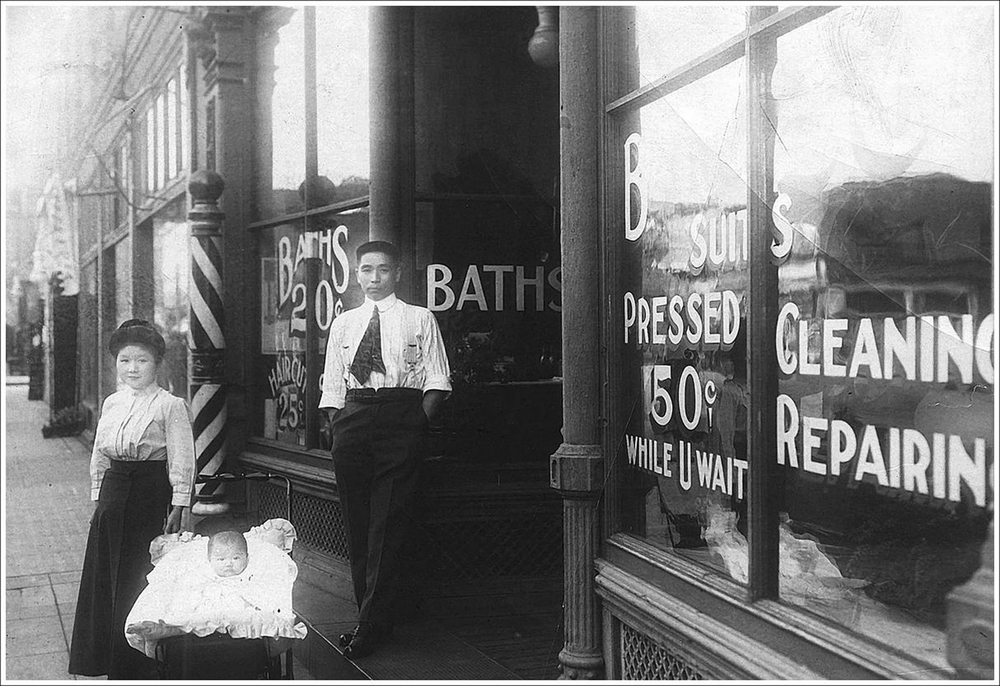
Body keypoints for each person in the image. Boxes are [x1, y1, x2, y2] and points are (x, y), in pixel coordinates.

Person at [319, 240, 452, 658]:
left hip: (400, 416)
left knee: (388, 525)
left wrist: (415, 425)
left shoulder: (419, 318)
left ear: (396, 274)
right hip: (354, 418)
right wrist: (339, 425)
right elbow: (332, 384)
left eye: (382, 270)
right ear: (356, 274)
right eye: (366, 270)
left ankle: (368, 626)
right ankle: (372, 615)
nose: (373, 279)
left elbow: (438, 380)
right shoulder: (344, 324)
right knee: (358, 523)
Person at [69, 319, 196, 679]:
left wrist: (179, 505)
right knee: (105, 578)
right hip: (114, 492)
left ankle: (138, 667)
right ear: (116, 364)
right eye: (125, 361)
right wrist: (98, 498)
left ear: (156, 363)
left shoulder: (169, 405)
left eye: (141, 360)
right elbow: (99, 453)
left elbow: (183, 458)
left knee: (138, 578)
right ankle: (105, 660)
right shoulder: (112, 403)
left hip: (149, 493)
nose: (132, 368)